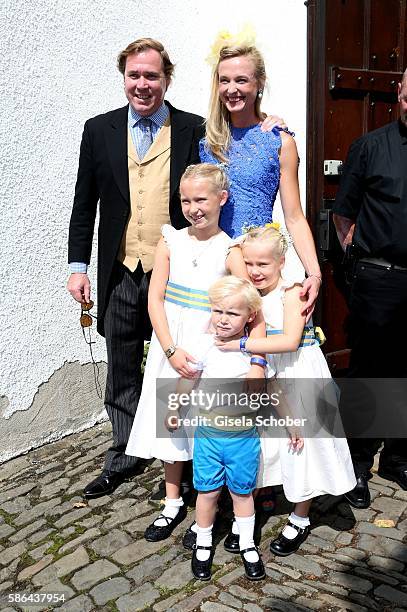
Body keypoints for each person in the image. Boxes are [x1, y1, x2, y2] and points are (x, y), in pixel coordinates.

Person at [67, 38, 205, 499]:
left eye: (151, 76)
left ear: (166, 78)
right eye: (134, 75)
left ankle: (182, 456)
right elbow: (84, 205)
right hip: (122, 270)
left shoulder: (193, 129)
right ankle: (125, 451)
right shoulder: (97, 129)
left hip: (176, 273)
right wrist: (78, 266)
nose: (142, 85)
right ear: (123, 77)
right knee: (122, 365)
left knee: (180, 365)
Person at [125, 164, 266, 542]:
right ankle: (172, 500)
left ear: (222, 199)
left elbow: (251, 308)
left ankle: (214, 506)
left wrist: (254, 357)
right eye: (185, 200)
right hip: (172, 341)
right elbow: (154, 298)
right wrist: (169, 348)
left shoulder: (230, 250)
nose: (192, 207)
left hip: (210, 346)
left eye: (201, 199)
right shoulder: (170, 240)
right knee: (170, 419)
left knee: (207, 421)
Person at [216, 226, 356, 555]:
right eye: (249, 264)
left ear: (281, 262)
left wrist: (238, 343)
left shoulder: (292, 292)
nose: (254, 271)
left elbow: (291, 341)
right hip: (269, 375)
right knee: (260, 445)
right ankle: (245, 515)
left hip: (298, 371)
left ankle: (300, 516)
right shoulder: (249, 295)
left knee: (304, 446)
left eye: (263, 265)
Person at [199, 38, 322, 318]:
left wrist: (314, 274)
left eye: (241, 80)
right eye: (224, 80)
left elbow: (293, 216)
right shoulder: (205, 141)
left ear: (259, 84)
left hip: (257, 267)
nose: (232, 89)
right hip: (212, 264)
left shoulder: (279, 142)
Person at [332, 68, 407, 508]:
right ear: (399, 92)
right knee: (370, 371)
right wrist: (358, 261)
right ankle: (356, 462)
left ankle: (398, 455)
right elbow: (344, 212)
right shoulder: (370, 147)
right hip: (380, 276)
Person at [167, 276, 268, 581]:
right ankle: (203, 542)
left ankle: (249, 545)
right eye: (218, 311)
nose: (223, 320)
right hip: (209, 437)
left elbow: (267, 387)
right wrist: (174, 407)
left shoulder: (254, 349)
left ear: (249, 316)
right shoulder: (204, 345)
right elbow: (188, 379)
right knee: (207, 493)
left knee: (242, 493)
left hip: (243, 439)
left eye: (233, 313)